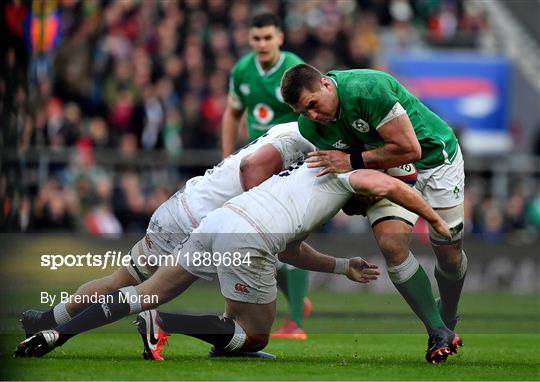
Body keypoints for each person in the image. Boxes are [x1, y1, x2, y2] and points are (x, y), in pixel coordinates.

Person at [15, 153, 455, 363]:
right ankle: (167, 323)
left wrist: (342, 266)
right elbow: (395, 188)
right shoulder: (347, 174)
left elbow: (291, 248)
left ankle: (58, 336)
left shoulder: (303, 172)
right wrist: (432, 218)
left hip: (218, 222)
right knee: (256, 336)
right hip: (249, 238)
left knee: (143, 292)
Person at [19, 122, 314, 345]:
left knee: (120, 282)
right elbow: (250, 168)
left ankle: (48, 320)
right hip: (201, 220)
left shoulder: (289, 127)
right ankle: (59, 333)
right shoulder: (306, 139)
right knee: (144, 294)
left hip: (185, 204)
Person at [280, 64, 467, 363]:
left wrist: (352, 160)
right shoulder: (311, 128)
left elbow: (410, 149)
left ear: (326, 85)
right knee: (391, 245)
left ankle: (448, 314)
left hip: (436, 160)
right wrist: (356, 196)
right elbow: (343, 171)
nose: (312, 116)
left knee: (449, 252)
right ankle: (437, 331)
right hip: (387, 172)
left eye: (313, 105)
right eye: (304, 111)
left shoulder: (367, 89)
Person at [221, 13, 309, 339]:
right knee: (262, 239)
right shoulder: (242, 70)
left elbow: (311, 114)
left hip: (292, 163)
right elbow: (232, 114)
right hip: (257, 165)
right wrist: (229, 156)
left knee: (290, 236)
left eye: (267, 38)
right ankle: (298, 299)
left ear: (280, 38)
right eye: (256, 38)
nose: (261, 44)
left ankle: (296, 322)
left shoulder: (294, 69)